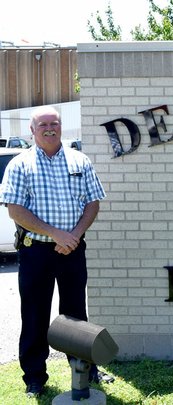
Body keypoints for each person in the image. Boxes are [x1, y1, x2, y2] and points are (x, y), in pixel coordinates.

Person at [0, 106, 108, 397]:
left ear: (61, 127)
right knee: (34, 314)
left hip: (72, 249)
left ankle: (85, 370)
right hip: (36, 252)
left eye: (54, 123)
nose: (50, 128)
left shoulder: (79, 160)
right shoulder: (20, 165)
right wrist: (55, 233)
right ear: (32, 131)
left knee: (75, 314)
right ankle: (35, 377)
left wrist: (73, 235)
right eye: (43, 124)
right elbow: (15, 210)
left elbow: (93, 202)